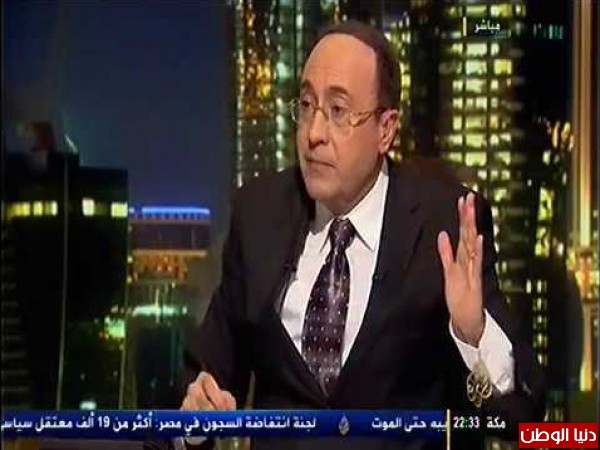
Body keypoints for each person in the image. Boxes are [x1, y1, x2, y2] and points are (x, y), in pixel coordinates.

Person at [176, 20, 545, 450]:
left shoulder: (444, 225)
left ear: (385, 130)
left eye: (338, 111)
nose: (314, 134)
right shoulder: (259, 213)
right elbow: (207, 377)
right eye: (306, 106)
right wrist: (194, 420)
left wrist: (474, 334)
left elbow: (521, 416)